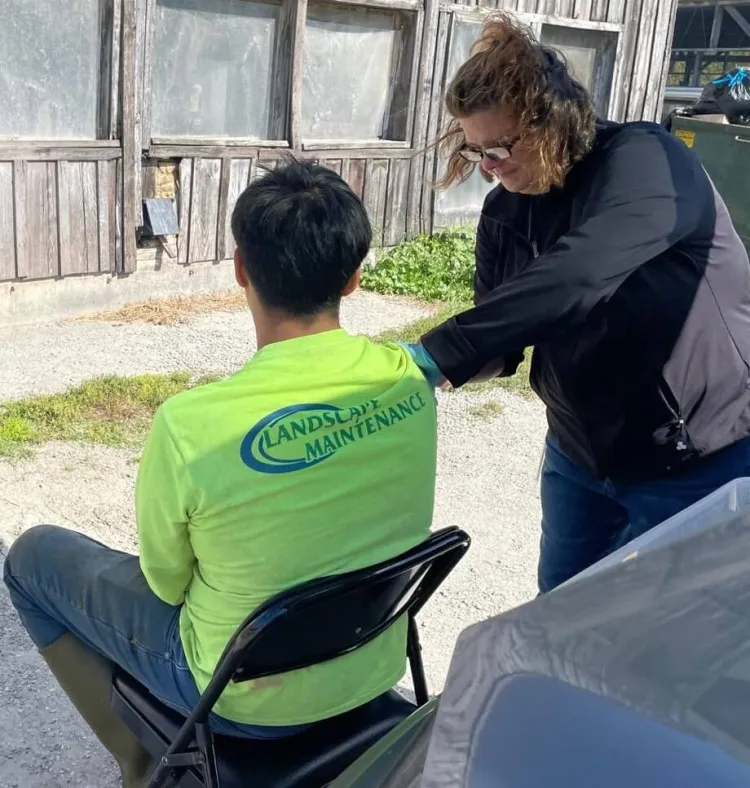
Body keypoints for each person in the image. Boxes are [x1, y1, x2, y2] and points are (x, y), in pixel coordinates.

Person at [3, 160, 438, 786]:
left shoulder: (191, 425)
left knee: (32, 558)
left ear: (240, 269)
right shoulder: (407, 380)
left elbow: (167, 583)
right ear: (353, 279)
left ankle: (142, 762)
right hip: (370, 666)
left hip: (239, 701)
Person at [404, 13, 750, 593]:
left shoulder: (648, 161)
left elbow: (579, 275)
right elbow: (500, 339)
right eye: (477, 152)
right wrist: (415, 380)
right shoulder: (506, 212)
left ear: (553, 121)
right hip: (578, 455)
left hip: (699, 457)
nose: (490, 168)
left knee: (673, 633)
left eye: (502, 148)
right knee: (559, 612)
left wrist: (435, 354)